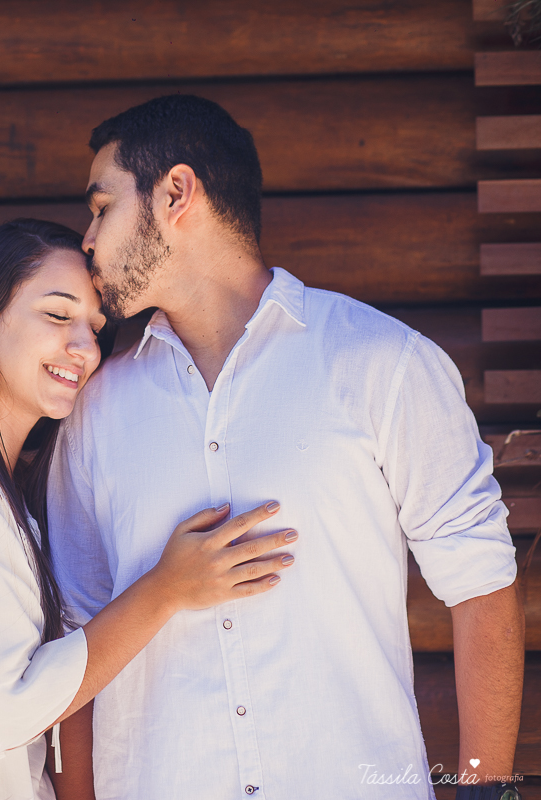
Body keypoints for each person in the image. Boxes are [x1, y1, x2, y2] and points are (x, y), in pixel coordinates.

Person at [48, 95, 525, 799]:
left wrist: (487, 792)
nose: (86, 240)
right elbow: (75, 645)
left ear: (176, 192)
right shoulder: (94, 411)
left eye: (101, 208)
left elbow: (482, 585)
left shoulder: (382, 362)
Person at [0, 218, 298, 800]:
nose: (84, 347)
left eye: (96, 328)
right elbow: (4, 712)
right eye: (58, 316)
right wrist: (166, 589)